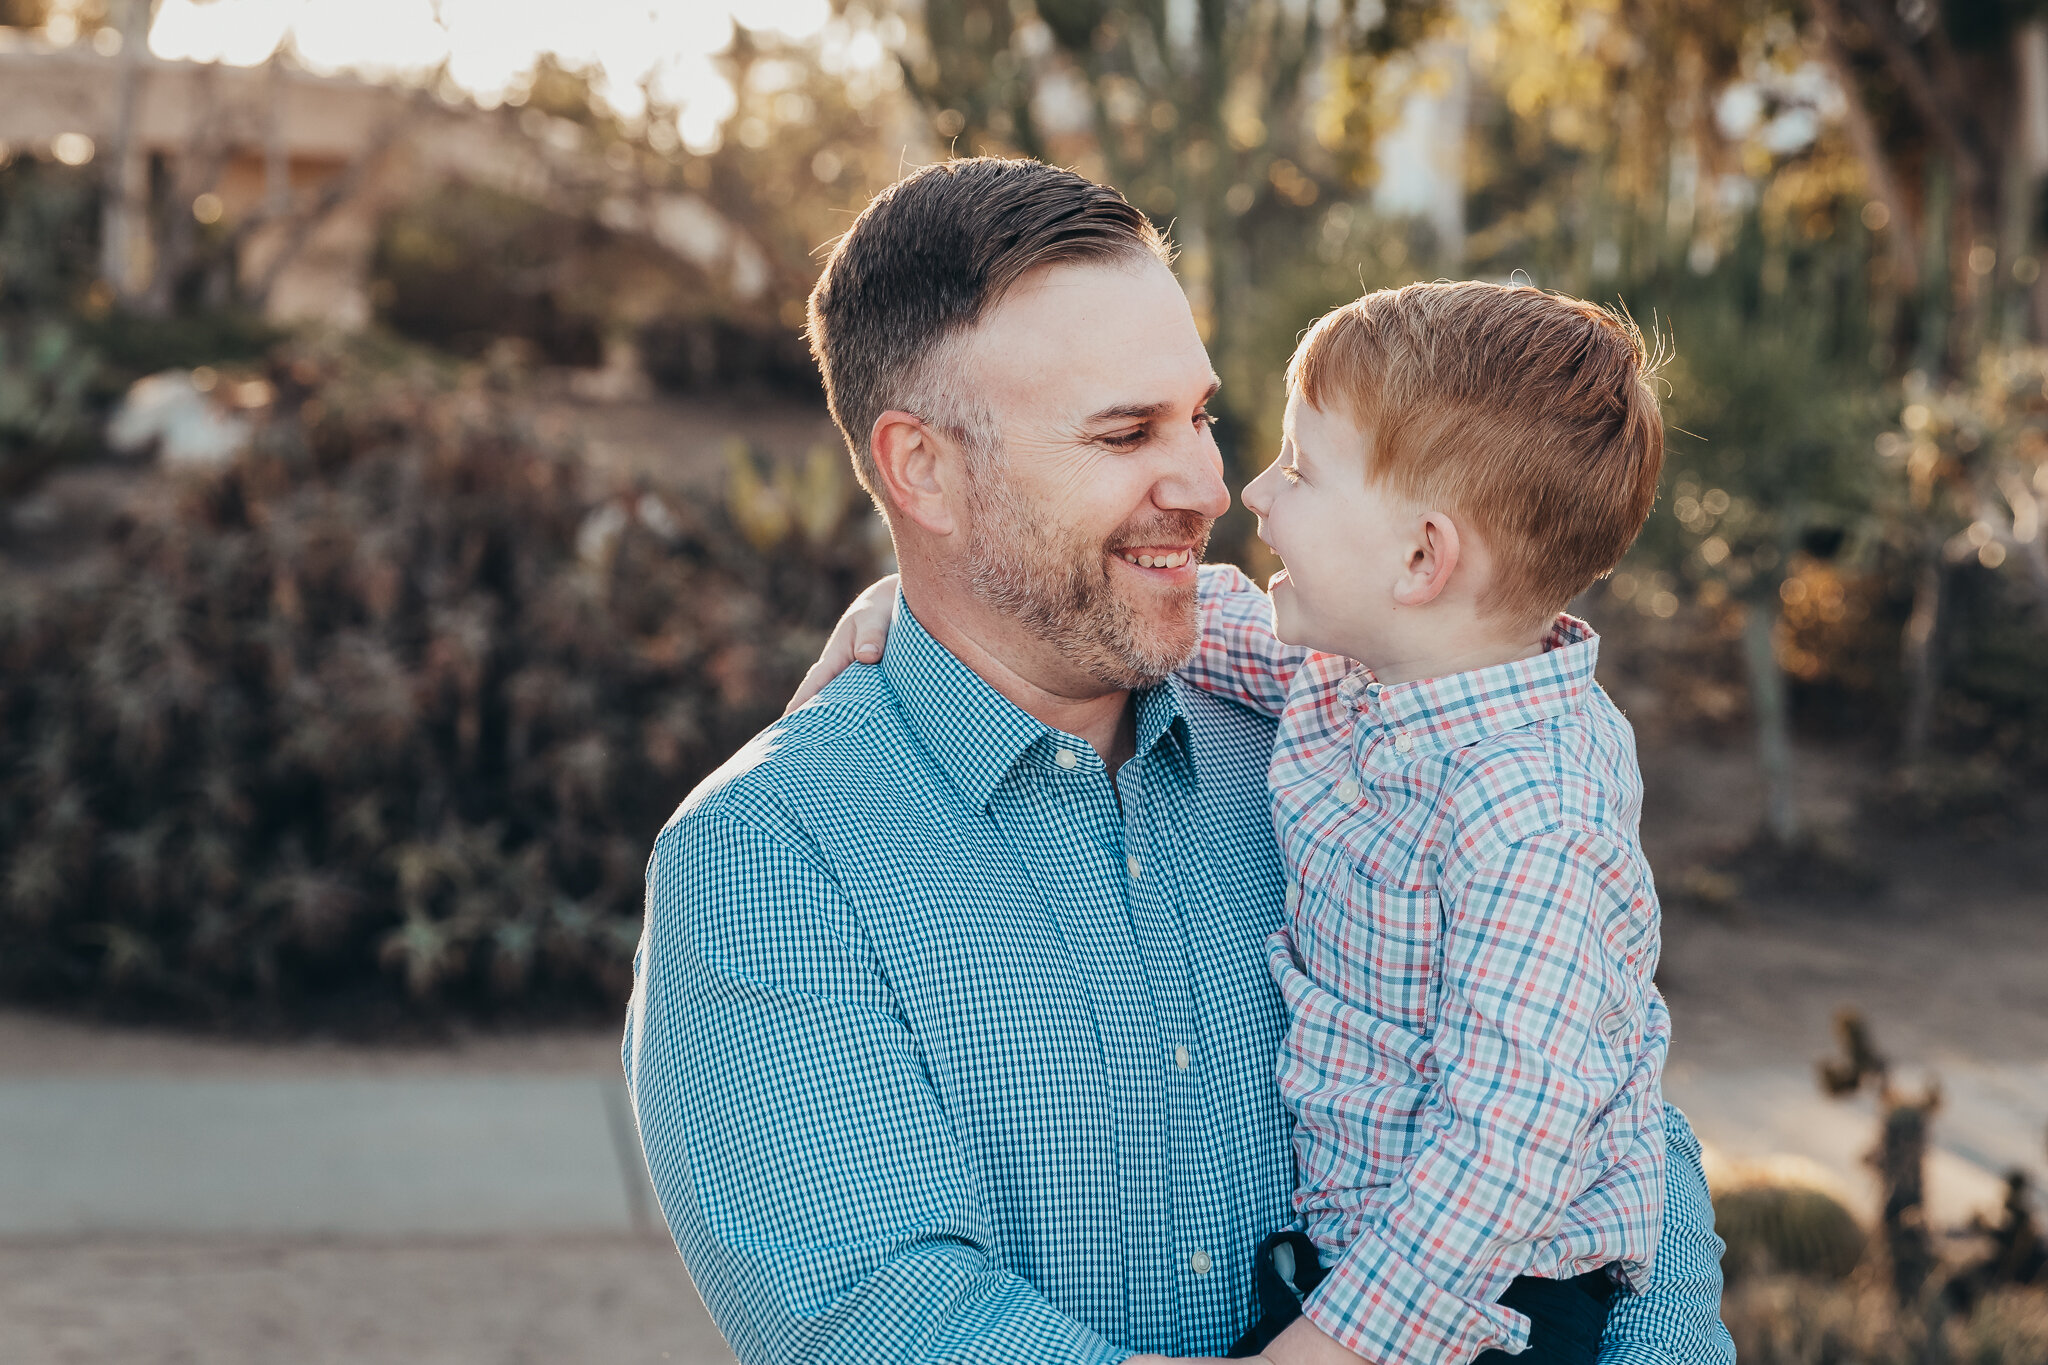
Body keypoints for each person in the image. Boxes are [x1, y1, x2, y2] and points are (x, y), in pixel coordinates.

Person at [623, 156, 1735, 1365]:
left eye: (1199, 415)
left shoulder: (1346, 725)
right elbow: (886, 1321)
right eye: (1125, 433)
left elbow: (1608, 1120)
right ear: (922, 470)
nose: (1213, 486)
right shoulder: (767, 862)